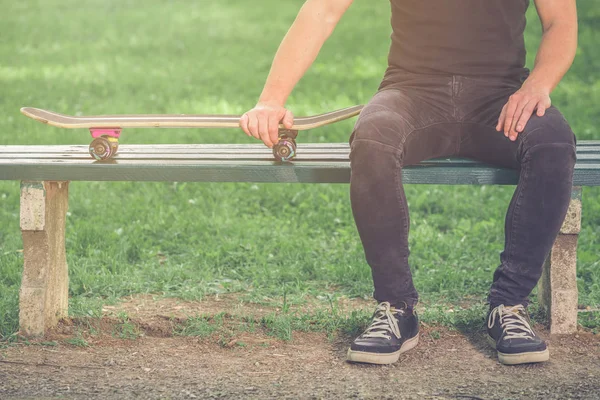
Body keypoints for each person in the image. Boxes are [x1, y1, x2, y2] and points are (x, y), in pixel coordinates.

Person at [239, 0, 578, 366]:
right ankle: (397, 307)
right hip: (413, 91)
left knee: (553, 144)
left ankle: (509, 307)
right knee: (373, 139)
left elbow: (559, 21)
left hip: (501, 95)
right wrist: (271, 99)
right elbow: (322, 10)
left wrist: (538, 85)